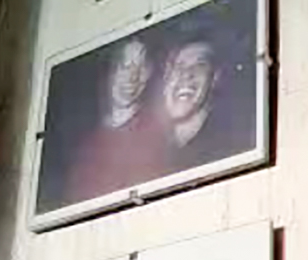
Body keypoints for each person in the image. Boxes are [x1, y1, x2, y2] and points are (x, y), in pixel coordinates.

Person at [65, 38, 168, 204]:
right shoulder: (85, 143)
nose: (133, 77)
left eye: (141, 68)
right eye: (125, 66)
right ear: (110, 71)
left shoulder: (156, 132)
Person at [161, 41, 218, 162]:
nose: (187, 74)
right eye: (179, 67)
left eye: (199, 66)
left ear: (215, 78)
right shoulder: (153, 147)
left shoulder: (225, 144)